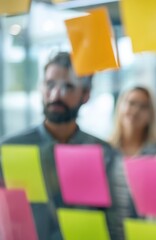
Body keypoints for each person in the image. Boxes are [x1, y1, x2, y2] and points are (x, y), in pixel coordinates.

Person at [0, 52, 116, 240]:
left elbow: (114, 220)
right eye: (50, 84)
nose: (56, 94)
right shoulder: (9, 150)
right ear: (41, 87)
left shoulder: (103, 153)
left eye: (68, 87)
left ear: (85, 95)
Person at [107, 86, 156, 240]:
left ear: (151, 115)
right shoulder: (105, 152)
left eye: (143, 106)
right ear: (120, 107)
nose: (136, 110)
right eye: (131, 103)